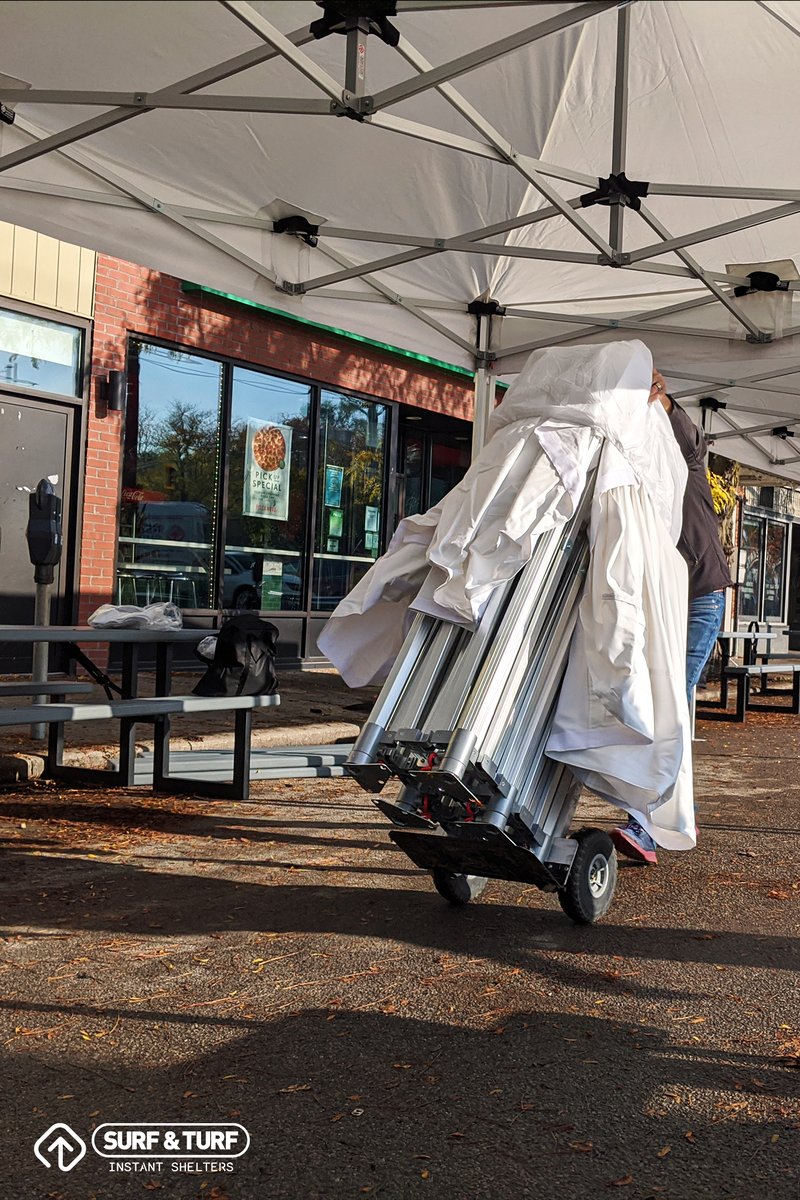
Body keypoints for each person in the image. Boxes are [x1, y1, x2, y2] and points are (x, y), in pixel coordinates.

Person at [612, 368, 733, 865]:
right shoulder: (632, 477)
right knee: (656, 701)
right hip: (662, 601)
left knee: (670, 701)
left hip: (700, 595)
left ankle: (648, 820)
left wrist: (661, 402)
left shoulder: (684, 460)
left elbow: (689, 437)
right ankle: (674, 809)